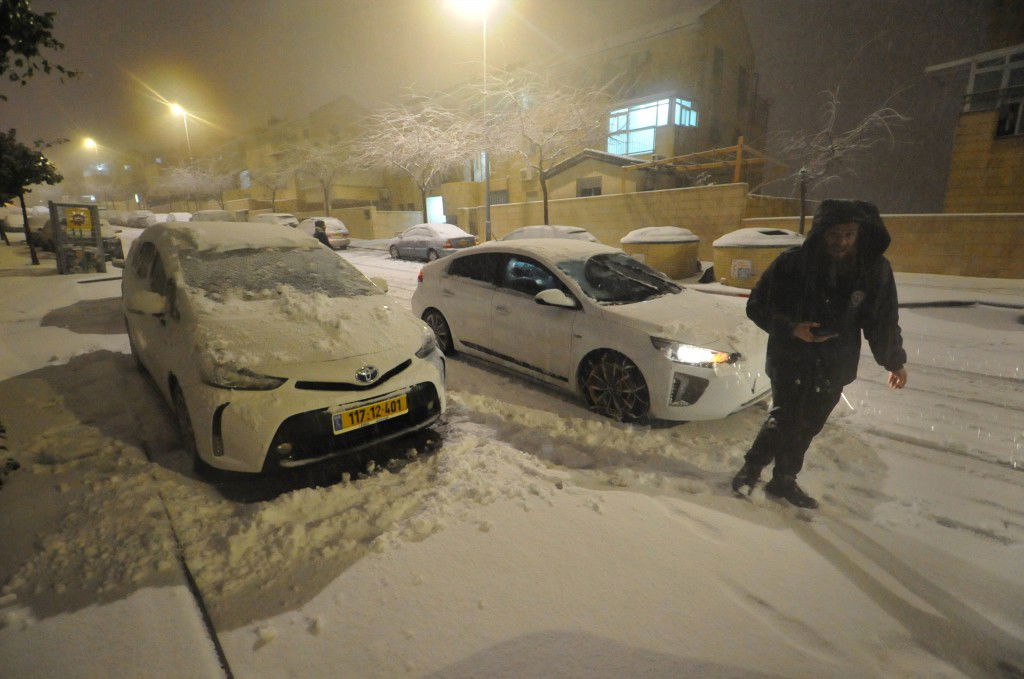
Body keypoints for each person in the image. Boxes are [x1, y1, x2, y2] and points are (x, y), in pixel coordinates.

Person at [731, 199, 908, 509]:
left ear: (860, 233)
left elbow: (882, 319)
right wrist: (791, 328)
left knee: (809, 424)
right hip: (790, 356)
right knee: (784, 418)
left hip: (835, 361)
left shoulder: (873, 269)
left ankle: (784, 479)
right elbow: (756, 306)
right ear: (821, 232)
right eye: (835, 234)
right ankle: (751, 469)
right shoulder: (792, 264)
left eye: (849, 234)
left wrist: (894, 361)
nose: (842, 242)